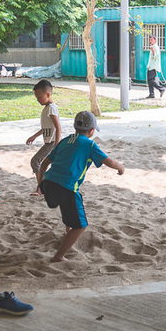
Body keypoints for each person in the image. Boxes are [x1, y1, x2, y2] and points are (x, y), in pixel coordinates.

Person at [37, 110, 125, 262]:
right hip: (66, 187)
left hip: (48, 184)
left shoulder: (65, 141)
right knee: (81, 225)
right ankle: (58, 256)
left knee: (67, 207)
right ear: (91, 130)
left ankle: (67, 232)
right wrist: (121, 168)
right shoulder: (89, 144)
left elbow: (44, 163)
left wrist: (40, 184)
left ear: (75, 127)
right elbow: (109, 161)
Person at [25, 79, 62, 196]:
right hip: (48, 142)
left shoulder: (51, 108)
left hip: (51, 143)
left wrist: (56, 144)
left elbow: (58, 127)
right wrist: (34, 136)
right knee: (42, 163)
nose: (38, 100)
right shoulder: (47, 108)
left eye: (40, 97)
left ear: (48, 94)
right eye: (36, 98)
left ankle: (40, 189)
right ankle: (43, 188)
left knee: (35, 161)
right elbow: (47, 127)